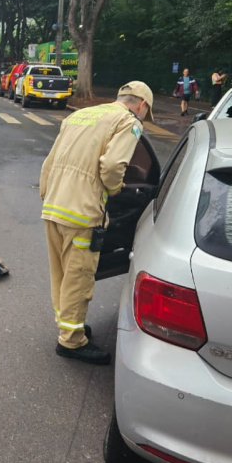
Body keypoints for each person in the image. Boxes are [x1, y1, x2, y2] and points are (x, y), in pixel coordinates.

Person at [40, 81, 153, 365]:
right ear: (142, 105)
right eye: (145, 113)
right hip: (82, 212)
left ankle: (68, 325)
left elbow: (49, 163)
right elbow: (113, 166)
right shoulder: (129, 122)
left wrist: (48, 195)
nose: (143, 118)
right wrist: (115, 189)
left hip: (53, 205)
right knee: (78, 277)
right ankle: (72, 341)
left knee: (61, 273)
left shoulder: (80, 115)